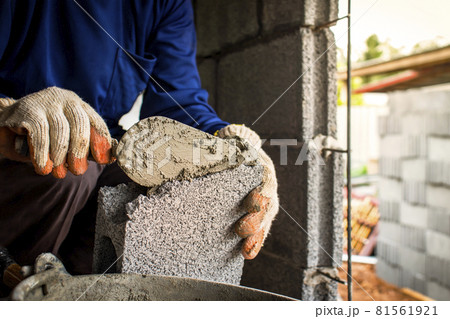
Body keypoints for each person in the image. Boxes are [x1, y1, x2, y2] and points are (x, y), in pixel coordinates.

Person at [0, 0, 278, 276]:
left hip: (104, 141)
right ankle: (20, 287)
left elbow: (179, 102)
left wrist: (235, 146)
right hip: (15, 138)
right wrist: (7, 112)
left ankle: (89, 292)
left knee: (177, 185)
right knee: (66, 173)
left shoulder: (165, 4)